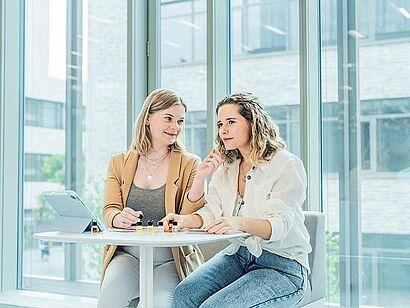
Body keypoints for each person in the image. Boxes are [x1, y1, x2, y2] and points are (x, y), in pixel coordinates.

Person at [163, 92, 312, 307]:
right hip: (240, 255)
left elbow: (279, 226)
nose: (223, 130)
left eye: (231, 122)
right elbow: (212, 212)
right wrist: (185, 220)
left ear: (253, 123)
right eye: (220, 124)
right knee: (183, 296)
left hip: (283, 266)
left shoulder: (286, 164)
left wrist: (238, 222)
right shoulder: (226, 167)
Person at [98, 88, 206, 308]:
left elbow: (188, 220)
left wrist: (200, 181)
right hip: (128, 257)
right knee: (110, 295)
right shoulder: (119, 161)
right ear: (148, 118)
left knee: (160, 303)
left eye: (180, 121)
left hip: (169, 260)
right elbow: (109, 208)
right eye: (168, 118)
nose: (175, 127)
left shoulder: (190, 163)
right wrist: (118, 217)